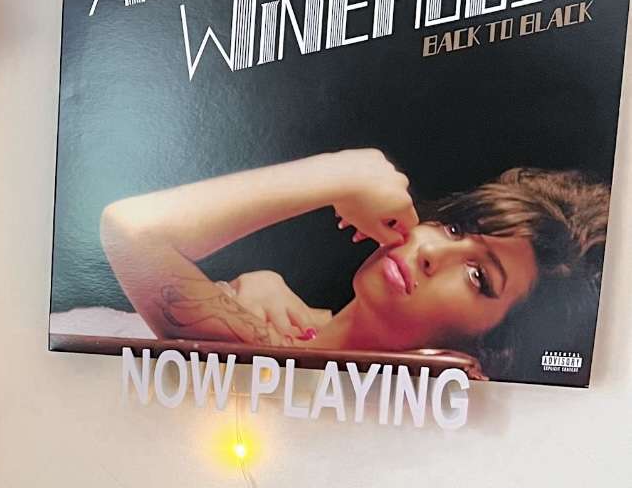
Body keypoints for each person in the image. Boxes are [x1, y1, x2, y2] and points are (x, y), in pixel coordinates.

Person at [100, 148, 607, 378]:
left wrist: (341, 173)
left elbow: (131, 231)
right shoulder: (284, 323)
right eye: (454, 227)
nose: (431, 252)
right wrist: (253, 282)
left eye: (479, 276)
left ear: (491, 345)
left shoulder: (290, 363)